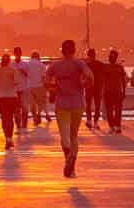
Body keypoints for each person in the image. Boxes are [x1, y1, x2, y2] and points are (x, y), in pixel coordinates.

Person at [47, 40, 94, 177]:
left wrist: (53, 88)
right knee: (74, 136)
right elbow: (90, 76)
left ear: (62, 50)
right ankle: (72, 168)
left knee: (64, 136)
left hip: (62, 103)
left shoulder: (55, 65)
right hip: (77, 103)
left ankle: (68, 157)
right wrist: (85, 84)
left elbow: (45, 79)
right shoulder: (79, 63)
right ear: (73, 50)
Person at [0, 52, 21, 148]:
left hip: (1, 97)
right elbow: (17, 82)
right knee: (10, 118)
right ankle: (9, 138)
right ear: (9, 61)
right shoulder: (13, 70)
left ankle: (7, 138)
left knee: (5, 118)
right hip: (12, 97)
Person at [102, 49, 128, 133]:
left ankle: (113, 127)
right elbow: (124, 80)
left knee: (112, 110)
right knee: (116, 110)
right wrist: (124, 91)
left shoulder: (106, 67)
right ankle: (116, 126)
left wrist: (123, 91)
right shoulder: (119, 67)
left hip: (111, 91)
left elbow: (123, 80)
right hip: (114, 91)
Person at [25, 51, 49, 125]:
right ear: (38, 57)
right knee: (41, 102)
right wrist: (46, 86)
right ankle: (39, 114)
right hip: (39, 86)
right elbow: (44, 77)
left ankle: (35, 117)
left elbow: (25, 74)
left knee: (32, 104)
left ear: (31, 57)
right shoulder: (41, 65)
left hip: (29, 86)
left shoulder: (27, 64)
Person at [84, 47, 105, 129]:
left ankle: (89, 121)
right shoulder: (100, 64)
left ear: (88, 55)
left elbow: (83, 76)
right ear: (95, 55)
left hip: (89, 87)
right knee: (97, 106)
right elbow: (104, 76)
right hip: (98, 87)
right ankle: (96, 122)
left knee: (88, 105)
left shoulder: (86, 65)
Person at [12, 47, 30, 132]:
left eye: (19, 53)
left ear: (21, 54)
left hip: (24, 88)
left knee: (25, 108)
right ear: (14, 54)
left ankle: (24, 125)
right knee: (16, 109)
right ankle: (18, 125)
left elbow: (29, 75)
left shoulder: (25, 64)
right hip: (15, 90)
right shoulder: (11, 64)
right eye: (16, 53)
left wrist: (23, 71)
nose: (18, 54)